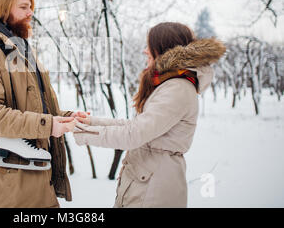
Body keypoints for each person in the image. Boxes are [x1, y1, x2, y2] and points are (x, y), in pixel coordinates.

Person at [73, 22, 226, 208]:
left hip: (153, 190)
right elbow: (137, 126)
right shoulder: (170, 84)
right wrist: (89, 121)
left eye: (150, 46)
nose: (145, 51)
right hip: (147, 182)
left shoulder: (177, 88)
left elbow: (134, 135)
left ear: (163, 49)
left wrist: (82, 132)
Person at [0, 0, 83, 208]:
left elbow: (36, 108)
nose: (31, 13)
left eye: (31, 7)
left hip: (36, 178)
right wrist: (48, 125)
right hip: (8, 188)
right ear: (2, 9)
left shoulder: (20, 49)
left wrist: (66, 117)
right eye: (23, 7)